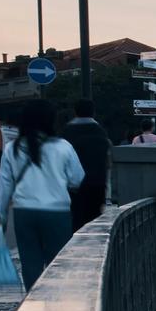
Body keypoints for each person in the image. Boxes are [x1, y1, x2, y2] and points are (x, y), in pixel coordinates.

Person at [0, 100, 85, 290]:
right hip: (57, 212)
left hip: (24, 213)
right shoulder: (63, 146)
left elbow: (3, 188)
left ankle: (33, 303)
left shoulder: (12, 148)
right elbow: (78, 179)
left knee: (30, 263)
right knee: (58, 263)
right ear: (51, 121)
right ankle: (56, 301)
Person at [61, 99, 113, 231]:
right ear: (93, 113)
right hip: (97, 184)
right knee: (93, 222)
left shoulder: (67, 131)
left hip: (72, 187)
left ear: (75, 112)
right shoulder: (101, 132)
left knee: (75, 220)